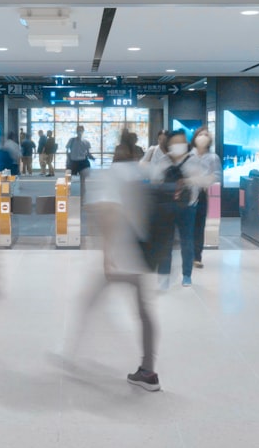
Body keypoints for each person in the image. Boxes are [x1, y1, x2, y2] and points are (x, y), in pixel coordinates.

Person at [62, 137, 160, 391]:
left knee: (89, 301)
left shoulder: (112, 174)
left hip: (120, 255)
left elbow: (107, 210)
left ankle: (73, 354)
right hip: (143, 254)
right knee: (145, 313)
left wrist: (106, 253)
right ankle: (148, 370)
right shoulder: (143, 172)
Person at [147, 130, 212, 288]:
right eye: (176, 142)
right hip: (167, 208)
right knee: (166, 242)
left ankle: (187, 275)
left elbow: (203, 181)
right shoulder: (163, 160)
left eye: (182, 142)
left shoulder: (194, 160)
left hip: (187, 207)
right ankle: (164, 276)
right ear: (169, 144)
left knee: (187, 241)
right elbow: (154, 180)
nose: (179, 145)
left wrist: (190, 185)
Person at [191, 127, 222, 270]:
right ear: (195, 137)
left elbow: (217, 175)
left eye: (206, 135)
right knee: (187, 226)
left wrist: (206, 180)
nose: (203, 137)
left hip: (202, 194)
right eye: (200, 134)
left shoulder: (213, 157)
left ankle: (197, 257)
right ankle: (188, 254)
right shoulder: (188, 155)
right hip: (188, 193)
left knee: (199, 226)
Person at [65, 125, 94, 195]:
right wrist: (68, 158)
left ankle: (83, 195)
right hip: (73, 162)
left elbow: (88, 153)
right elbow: (67, 150)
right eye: (78, 130)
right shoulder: (71, 140)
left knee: (83, 181)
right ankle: (69, 194)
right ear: (76, 131)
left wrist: (92, 157)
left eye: (81, 130)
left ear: (83, 131)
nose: (79, 132)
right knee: (70, 181)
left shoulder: (86, 142)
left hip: (83, 162)